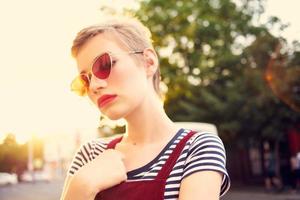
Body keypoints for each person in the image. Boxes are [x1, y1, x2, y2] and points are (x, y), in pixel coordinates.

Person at [60, 15, 230, 200]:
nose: (94, 86)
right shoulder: (90, 154)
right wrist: (81, 187)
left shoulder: (198, 148)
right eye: (85, 79)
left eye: (104, 65)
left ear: (148, 61)